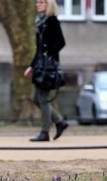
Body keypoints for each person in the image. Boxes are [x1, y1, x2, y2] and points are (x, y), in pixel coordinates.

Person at [24, 0, 68, 142]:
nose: (37, 4)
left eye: (41, 2)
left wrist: (49, 55)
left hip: (48, 68)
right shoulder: (40, 22)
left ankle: (45, 132)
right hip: (40, 67)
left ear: (48, 5)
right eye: (37, 2)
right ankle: (60, 121)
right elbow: (39, 49)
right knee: (36, 98)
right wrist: (32, 66)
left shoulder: (52, 21)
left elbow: (60, 42)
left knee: (42, 98)